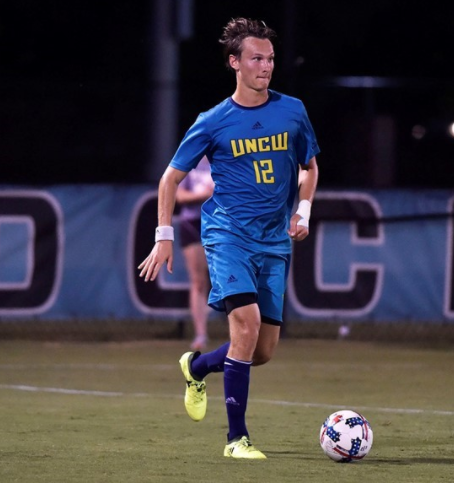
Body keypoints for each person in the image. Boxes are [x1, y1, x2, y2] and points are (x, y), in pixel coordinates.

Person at [138, 18, 320, 459]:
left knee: (262, 351)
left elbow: (309, 167)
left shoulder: (293, 110)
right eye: (257, 58)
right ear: (234, 62)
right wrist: (164, 236)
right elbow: (169, 180)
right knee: (247, 325)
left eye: (271, 58)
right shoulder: (213, 121)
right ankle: (236, 439)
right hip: (227, 236)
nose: (266, 66)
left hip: (274, 241)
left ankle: (196, 365)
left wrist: (303, 210)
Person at [176, 157, 214, 351]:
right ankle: (200, 334)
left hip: (219, 223)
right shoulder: (189, 162)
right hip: (193, 223)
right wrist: (202, 195)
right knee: (198, 280)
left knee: (228, 279)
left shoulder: (226, 159)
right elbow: (179, 196)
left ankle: (242, 329)